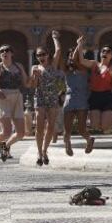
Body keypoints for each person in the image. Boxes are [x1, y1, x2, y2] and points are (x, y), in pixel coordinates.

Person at [31, 31, 64, 166]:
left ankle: (45, 150)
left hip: (52, 98)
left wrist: (55, 37)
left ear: (48, 55)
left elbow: (59, 50)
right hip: (40, 98)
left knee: (50, 127)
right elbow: (33, 85)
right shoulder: (35, 68)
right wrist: (35, 77)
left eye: (43, 54)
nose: (41, 57)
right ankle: (39, 152)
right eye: (38, 55)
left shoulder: (53, 66)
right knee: (39, 127)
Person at [77, 36, 112, 133]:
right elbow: (82, 61)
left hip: (107, 96)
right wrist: (79, 45)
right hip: (94, 96)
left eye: (108, 51)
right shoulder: (94, 64)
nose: (105, 53)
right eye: (103, 51)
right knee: (94, 125)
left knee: (105, 127)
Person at [0, 44, 31, 162]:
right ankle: (3, 145)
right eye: (2, 51)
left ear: (12, 53)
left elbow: (27, 83)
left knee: (21, 133)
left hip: (17, 96)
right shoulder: (0, 67)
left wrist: (35, 77)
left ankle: (5, 146)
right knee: (6, 132)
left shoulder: (19, 66)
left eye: (7, 50)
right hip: (3, 98)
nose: (4, 52)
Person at [62, 46, 94, 156]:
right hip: (69, 100)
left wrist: (78, 45)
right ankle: (67, 144)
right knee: (67, 130)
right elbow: (67, 60)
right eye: (70, 55)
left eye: (73, 54)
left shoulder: (83, 68)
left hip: (81, 100)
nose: (72, 57)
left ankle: (89, 140)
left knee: (81, 128)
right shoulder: (66, 70)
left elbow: (75, 60)